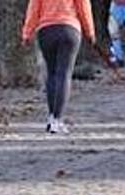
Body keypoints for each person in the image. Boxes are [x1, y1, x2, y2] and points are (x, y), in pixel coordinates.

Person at [22, 0, 95, 134]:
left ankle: (51, 118)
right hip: (69, 29)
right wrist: (89, 31)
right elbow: (83, 7)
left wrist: (27, 32)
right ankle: (58, 119)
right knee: (64, 74)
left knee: (52, 73)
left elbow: (33, 8)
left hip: (46, 30)